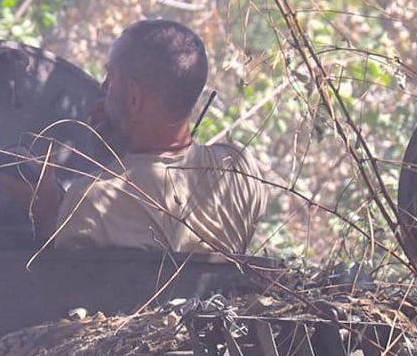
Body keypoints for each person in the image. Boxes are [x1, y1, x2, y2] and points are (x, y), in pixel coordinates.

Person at [14, 20, 264, 255]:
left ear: (134, 97)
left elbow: (57, 289)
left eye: (110, 77)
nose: (102, 87)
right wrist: (116, 158)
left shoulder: (91, 201)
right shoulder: (239, 168)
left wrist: (47, 214)